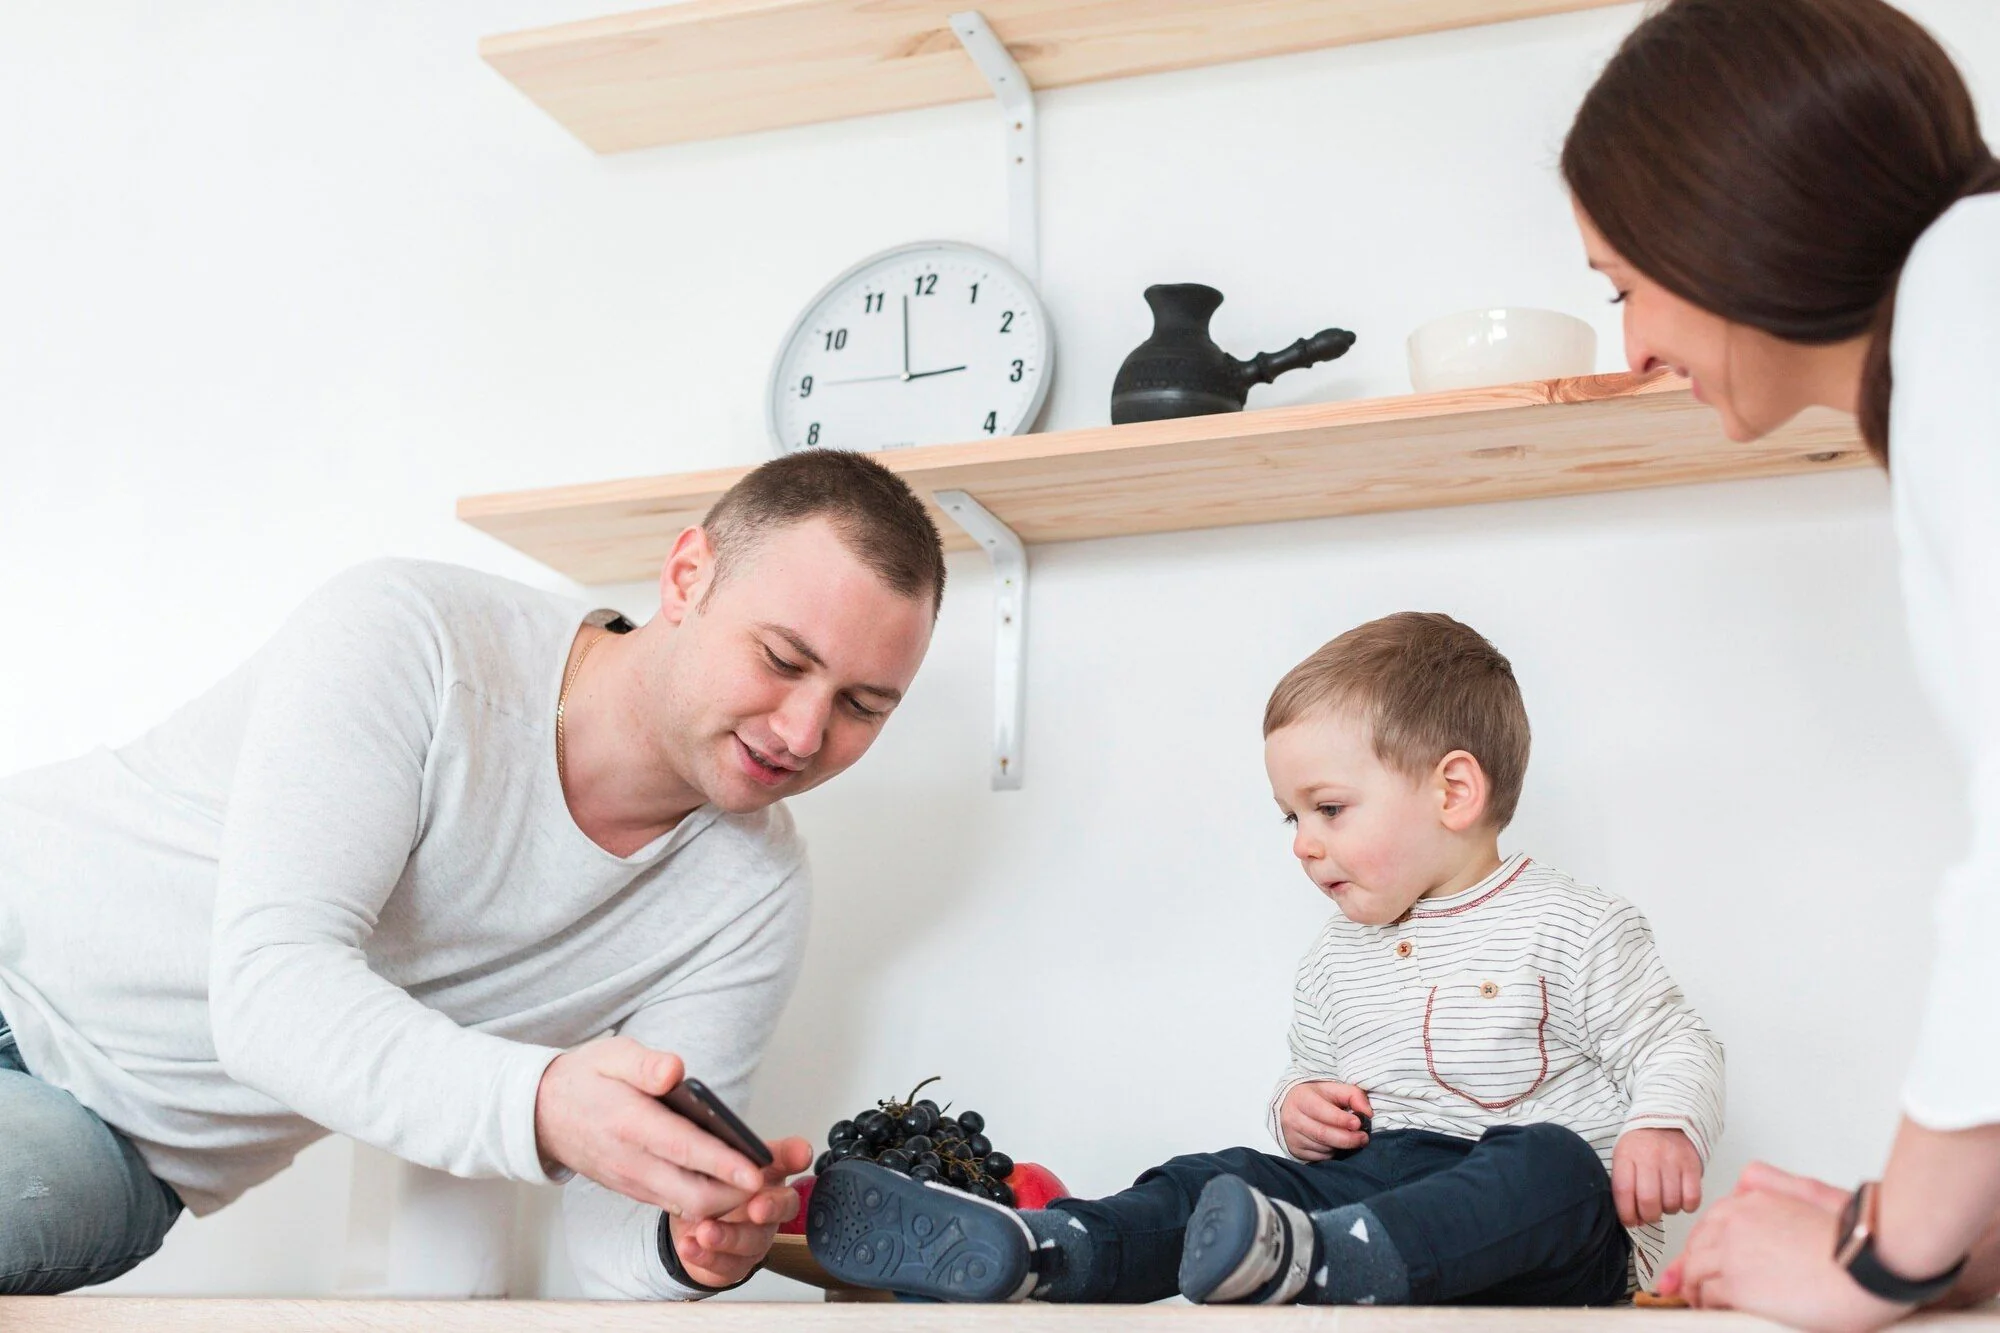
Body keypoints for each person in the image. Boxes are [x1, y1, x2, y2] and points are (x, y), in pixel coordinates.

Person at [0, 449, 945, 1298]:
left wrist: (690, 1238)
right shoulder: (415, 636)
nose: (802, 733)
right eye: (782, 660)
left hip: (117, 1139)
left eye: (862, 706)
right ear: (687, 575)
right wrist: (543, 1105)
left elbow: (620, 1231)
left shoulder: (752, 896)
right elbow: (270, 986)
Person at [805, 613, 1724, 1305]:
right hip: (1370, 1193)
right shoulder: (1335, 957)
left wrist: (1662, 1126)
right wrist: (1299, 1108)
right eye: (1292, 818)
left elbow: (1675, 1038)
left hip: (1542, 1251)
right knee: (1227, 1173)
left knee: (1554, 1165)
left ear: (1453, 789)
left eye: (1328, 809)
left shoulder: (1573, 922)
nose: (1303, 845)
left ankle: (1327, 1259)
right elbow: (1313, 1067)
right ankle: (1057, 1247)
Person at [1561, 0, 2000, 1325]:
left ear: (1724, 210)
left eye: (1624, 284)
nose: (1631, 349)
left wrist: (1888, 1251)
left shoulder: (1973, 290)